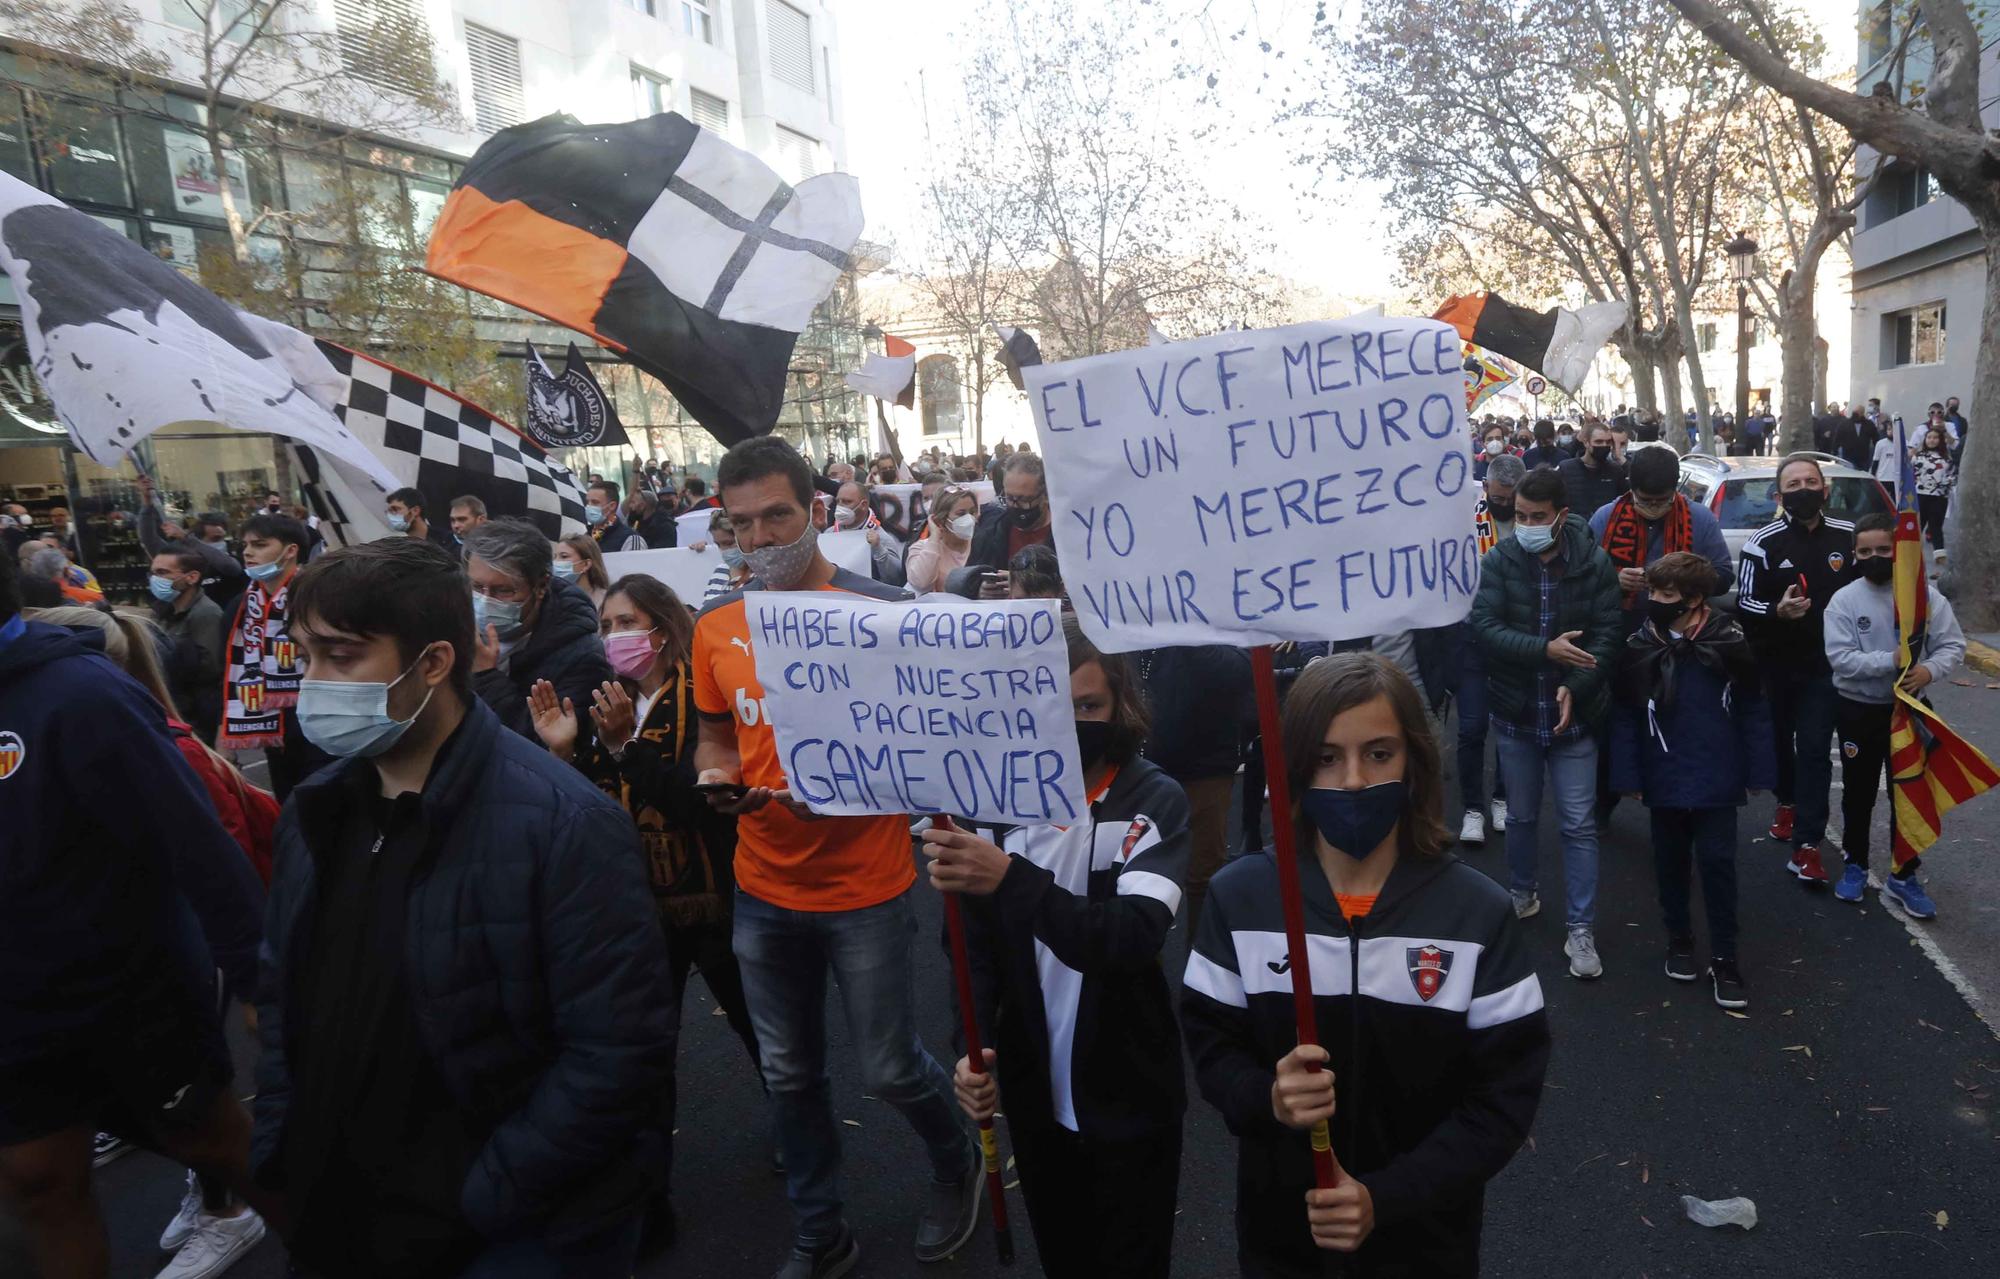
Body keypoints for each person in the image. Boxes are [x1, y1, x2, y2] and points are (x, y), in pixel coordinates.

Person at [256, 537, 675, 1275]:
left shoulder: (563, 826)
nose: (313, 682)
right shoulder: (317, 811)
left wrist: (482, 1196)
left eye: (342, 656)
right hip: (338, 1207)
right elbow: (284, 995)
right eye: (306, 655)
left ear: (434, 663)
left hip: (499, 1232)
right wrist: (279, 1150)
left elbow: (615, 1055)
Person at [690, 435, 977, 1277]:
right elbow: (716, 735)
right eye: (741, 523)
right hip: (761, 886)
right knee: (787, 1073)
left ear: (814, 510)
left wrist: (857, 786)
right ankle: (820, 1229)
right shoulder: (716, 625)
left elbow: (928, 744)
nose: (759, 538)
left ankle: (958, 1159)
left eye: (777, 515)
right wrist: (716, 778)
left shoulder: (880, 610)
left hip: (866, 889)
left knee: (890, 1067)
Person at [1181, 653, 1550, 1277]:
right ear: (1296, 767)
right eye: (1327, 757)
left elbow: (1503, 1098)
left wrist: (1388, 1197)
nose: (1353, 781)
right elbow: (1211, 1045)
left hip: (1426, 1242)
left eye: (1379, 754)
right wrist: (1267, 1096)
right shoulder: (1240, 898)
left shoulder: (1475, 914)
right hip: (1283, 1235)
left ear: (1414, 762)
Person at [0, 549, 272, 1279]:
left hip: (123, 997)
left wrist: (258, 978)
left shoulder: (79, 694)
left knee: (215, 1141)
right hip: (16, 1015)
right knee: (36, 1180)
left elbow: (198, 843)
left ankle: (330, 1245)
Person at [927, 616, 1189, 1278]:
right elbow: (969, 951)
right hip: (1033, 1086)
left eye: (1088, 706)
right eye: (1051, 707)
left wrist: (1010, 877)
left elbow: (1130, 937)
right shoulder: (990, 806)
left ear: (1120, 705)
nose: (1071, 723)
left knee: (1133, 1259)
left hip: (1130, 1086)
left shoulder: (1152, 800)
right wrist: (973, 1048)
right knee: (1063, 1254)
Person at [526, 574, 764, 1252]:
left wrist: (626, 747)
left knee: (760, 1029)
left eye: (627, 622)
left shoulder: (700, 697)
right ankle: (648, 1197)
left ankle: (800, 1126)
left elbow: (700, 802)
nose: (614, 637)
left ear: (663, 625)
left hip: (713, 894)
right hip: (637, 907)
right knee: (646, 1052)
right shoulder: (607, 701)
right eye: (605, 626)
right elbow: (589, 812)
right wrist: (563, 752)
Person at [1469, 466, 1623, 978]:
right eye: (1520, 516)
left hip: (1574, 719)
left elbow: (1609, 635)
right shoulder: (1500, 559)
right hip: (1517, 713)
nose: (1527, 525)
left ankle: (1581, 929)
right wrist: (1545, 650)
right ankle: (1521, 892)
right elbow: (1484, 626)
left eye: (1538, 517)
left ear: (1561, 516)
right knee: (1520, 816)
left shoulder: (1594, 562)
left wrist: (1574, 685)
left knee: (1578, 825)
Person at [1609, 553, 1774, 1010]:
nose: (1655, 601)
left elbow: (1753, 706)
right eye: (1653, 592)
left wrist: (1759, 769)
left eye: (1666, 594)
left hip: (1716, 773)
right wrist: (1627, 775)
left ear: (1696, 599)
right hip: (1663, 773)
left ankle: (1725, 956)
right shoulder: (1640, 644)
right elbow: (1625, 715)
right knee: (1669, 863)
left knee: (1718, 864)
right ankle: (1679, 939)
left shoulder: (1729, 642)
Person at [1823, 514, 1965, 919]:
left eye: (1884, 549)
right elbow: (1841, 659)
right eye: (1865, 551)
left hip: (1909, 710)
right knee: (1858, 792)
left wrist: (1928, 670)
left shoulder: (1925, 598)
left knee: (1909, 793)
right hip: (1859, 710)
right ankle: (1855, 863)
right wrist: (1892, 660)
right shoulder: (1844, 601)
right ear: (1854, 554)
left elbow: (1952, 645)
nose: (1875, 557)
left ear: (1899, 551)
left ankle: (1904, 874)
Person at [1587, 445, 1734, 825]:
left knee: (1675, 723)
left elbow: (1723, 576)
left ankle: (1674, 805)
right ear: (1630, 490)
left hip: (1681, 642)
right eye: (1644, 501)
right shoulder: (1605, 517)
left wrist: (1681, 580)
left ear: (1676, 491)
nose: (1652, 508)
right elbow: (1580, 575)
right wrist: (1613, 578)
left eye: (1661, 501)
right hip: (1619, 637)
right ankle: (1604, 800)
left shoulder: (1699, 519)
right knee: (1613, 724)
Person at [1735, 454, 1855, 886]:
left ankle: (1807, 845)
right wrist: (1777, 611)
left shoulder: (1848, 536)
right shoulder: (1761, 543)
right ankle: (1785, 800)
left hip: (1827, 667)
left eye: (1810, 482)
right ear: (1779, 495)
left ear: (1825, 489)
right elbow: (1743, 601)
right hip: (1776, 664)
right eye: (1793, 484)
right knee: (1779, 742)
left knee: (1815, 750)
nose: (1803, 489)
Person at [1132, 641, 1251, 938]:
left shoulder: (1208, 628)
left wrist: (1185, 633)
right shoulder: (1132, 631)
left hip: (1203, 772)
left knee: (1203, 877)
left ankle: (1202, 957)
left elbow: (1239, 670)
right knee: (1136, 878)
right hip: (1138, 773)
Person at [464, 518, 615, 745]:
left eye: (503, 590)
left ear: (541, 586)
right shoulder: (454, 627)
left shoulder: (582, 657)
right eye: (477, 587)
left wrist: (485, 677)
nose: (485, 601)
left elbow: (546, 746)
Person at [221, 513, 329, 800]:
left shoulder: (319, 596)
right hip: (273, 725)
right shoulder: (241, 606)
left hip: (320, 720)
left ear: (290, 550)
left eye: (259, 545)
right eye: (245, 545)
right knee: (286, 801)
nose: (247, 552)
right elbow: (227, 668)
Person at [1456, 454, 1526, 845]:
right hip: (1472, 637)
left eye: (1510, 498)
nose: (1504, 504)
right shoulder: (1466, 520)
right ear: (1485, 489)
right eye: (1497, 498)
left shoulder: (1532, 521)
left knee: (1508, 726)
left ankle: (1501, 797)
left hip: (1513, 639)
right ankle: (1472, 808)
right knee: (1471, 728)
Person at [150, 542, 228, 743]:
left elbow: (212, 668)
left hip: (197, 715)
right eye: (153, 573)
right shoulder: (164, 610)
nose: (155, 579)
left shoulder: (206, 613)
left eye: (163, 573)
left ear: (191, 577)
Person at [968, 453, 1052, 597]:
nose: (1015, 505)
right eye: (1009, 498)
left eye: (1024, 500)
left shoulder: (1066, 537)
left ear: (1045, 496)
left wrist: (1023, 584)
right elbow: (969, 576)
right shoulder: (990, 533)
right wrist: (979, 590)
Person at [904, 485, 979, 593]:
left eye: (972, 512)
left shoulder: (983, 543)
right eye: (961, 514)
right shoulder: (920, 548)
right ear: (941, 519)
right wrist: (934, 536)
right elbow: (920, 582)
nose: (969, 518)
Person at [832, 480, 907, 586]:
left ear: (863, 505)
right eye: (838, 501)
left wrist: (878, 549)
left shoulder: (881, 539)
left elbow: (896, 580)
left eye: (847, 502)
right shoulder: (829, 533)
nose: (840, 506)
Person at [1556, 420, 1629, 521]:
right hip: (1575, 526)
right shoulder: (1566, 469)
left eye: (1608, 442)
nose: (1604, 445)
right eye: (1598, 442)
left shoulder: (1616, 471)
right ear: (1586, 443)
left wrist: (1621, 459)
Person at [1913, 426, 1955, 555]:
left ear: (1940, 440)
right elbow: (1912, 475)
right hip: (1920, 496)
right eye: (1929, 437)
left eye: (1935, 438)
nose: (1932, 440)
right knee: (1917, 527)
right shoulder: (1917, 457)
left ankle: (1939, 554)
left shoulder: (1947, 459)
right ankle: (1911, 554)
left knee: (1936, 527)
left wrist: (1944, 485)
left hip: (1938, 498)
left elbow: (1952, 477)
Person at [699, 509, 749, 604]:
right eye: (718, 544)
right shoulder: (721, 569)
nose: (723, 550)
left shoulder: (761, 575)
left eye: (729, 543)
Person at [384, 486, 457, 551]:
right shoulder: (402, 550)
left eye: (395, 509)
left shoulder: (449, 541)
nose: (390, 516)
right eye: (388, 512)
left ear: (415, 511)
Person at [554, 531, 613, 611]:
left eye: (564, 556)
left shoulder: (606, 601)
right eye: (555, 557)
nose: (556, 562)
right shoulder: (551, 598)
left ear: (586, 564)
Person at [586, 480, 647, 553]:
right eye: (587, 502)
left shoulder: (630, 539)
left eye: (595, 502)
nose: (589, 506)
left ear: (612, 506)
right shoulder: (585, 536)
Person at [1871, 419, 1902, 497]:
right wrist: (1872, 476)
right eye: (1889, 429)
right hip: (1882, 478)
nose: (1891, 431)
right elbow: (1875, 461)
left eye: (1893, 430)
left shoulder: (1904, 444)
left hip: (1897, 479)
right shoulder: (1880, 444)